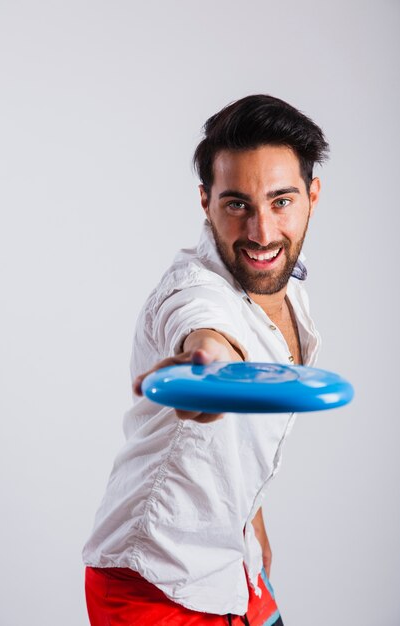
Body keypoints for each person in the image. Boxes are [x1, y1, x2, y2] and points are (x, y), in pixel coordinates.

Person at [83, 94, 329, 625]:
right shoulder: (194, 290)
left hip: (229, 559)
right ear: (205, 201)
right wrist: (207, 371)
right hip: (150, 581)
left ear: (313, 194)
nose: (262, 233)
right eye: (237, 204)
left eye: (281, 201)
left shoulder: (288, 281)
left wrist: (249, 512)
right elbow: (207, 337)